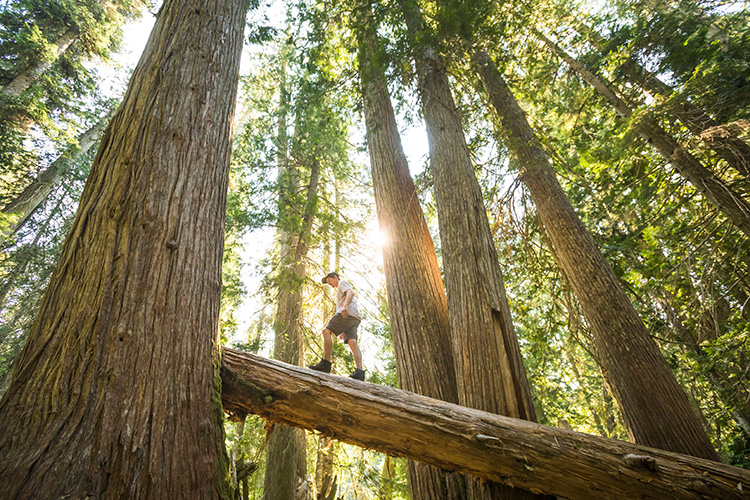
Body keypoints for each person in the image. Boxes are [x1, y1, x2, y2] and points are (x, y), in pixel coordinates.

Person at [309, 272, 365, 380]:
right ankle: (360, 372)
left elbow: (350, 293)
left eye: (330, 281)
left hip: (346, 313)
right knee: (352, 341)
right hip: (354, 318)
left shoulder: (342, 283)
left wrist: (344, 307)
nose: (329, 284)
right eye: (328, 283)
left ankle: (326, 363)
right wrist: (342, 330)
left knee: (326, 331)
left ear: (335, 277)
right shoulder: (339, 289)